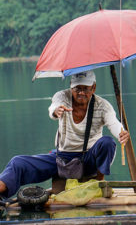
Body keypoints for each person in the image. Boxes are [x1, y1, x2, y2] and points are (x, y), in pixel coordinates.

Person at [0, 70, 129, 199]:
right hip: (62, 158)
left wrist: (121, 133)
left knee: (107, 142)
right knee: (18, 162)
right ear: (71, 86)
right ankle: (2, 190)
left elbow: (114, 123)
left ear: (93, 87)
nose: (81, 93)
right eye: (77, 89)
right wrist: (56, 111)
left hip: (88, 158)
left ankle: (99, 182)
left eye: (86, 89)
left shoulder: (103, 106)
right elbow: (53, 107)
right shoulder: (62, 97)